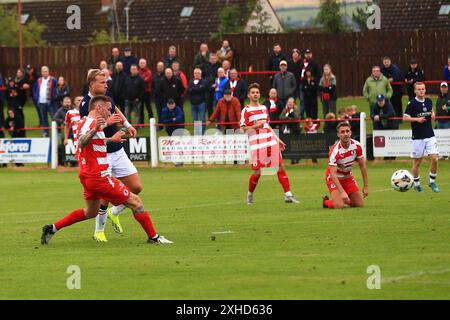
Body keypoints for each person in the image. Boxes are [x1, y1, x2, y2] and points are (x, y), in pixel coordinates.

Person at [40, 95, 172, 245]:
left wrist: (111, 139)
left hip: (87, 176)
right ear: (99, 108)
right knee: (136, 203)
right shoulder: (91, 123)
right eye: (108, 109)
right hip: (99, 177)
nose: (110, 113)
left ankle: (52, 228)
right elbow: (83, 142)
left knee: (90, 212)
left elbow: (92, 142)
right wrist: (96, 128)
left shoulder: (84, 121)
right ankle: (154, 237)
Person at [80, 69, 140, 242]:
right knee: (105, 194)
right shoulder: (85, 105)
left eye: (106, 82)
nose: (106, 85)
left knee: (136, 187)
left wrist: (127, 124)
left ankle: (114, 212)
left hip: (117, 150)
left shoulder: (107, 97)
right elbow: (88, 131)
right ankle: (99, 231)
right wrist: (107, 123)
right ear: (92, 84)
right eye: (102, 82)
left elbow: (116, 109)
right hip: (101, 154)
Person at [240, 83, 299, 205]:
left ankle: (288, 194)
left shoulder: (263, 108)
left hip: (270, 141)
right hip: (256, 144)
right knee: (258, 172)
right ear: (248, 95)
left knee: (280, 166)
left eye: (257, 92)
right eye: (253, 92)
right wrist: (256, 125)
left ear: (259, 94)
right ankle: (250, 194)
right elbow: (243, 129)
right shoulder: (246, 110)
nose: (255, 94)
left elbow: (267, 126)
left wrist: (277, 139)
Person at [403, 82, 439, 193]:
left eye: (423, 89)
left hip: (430, 135)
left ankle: (432, 182)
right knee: (417, 162)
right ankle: (417, 184)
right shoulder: (412, 103)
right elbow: (405, 118)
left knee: (435, 159)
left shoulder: (428, 101)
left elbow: (431, 110)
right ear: (415, 91)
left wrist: (433, 114)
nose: (421, 91)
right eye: (419, 89)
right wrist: (417, 119)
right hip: (418, 137)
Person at [322, 122, 368, 209]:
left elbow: (362, 165)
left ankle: (346, 200)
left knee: (359, 204)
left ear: (350, 132)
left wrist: (365, 186)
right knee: (339, 206)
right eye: (342, 132)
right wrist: (342, 192)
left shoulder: (357, 146)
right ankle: (326, 202)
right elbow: (333, 174)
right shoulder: (334, 151)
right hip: (334, 179)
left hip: (347, 177)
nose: (345, 134)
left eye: (347, 131)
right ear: (338, 134)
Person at [33, 66, 57, 137]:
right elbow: (34, 90)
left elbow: (56, 89)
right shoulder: (39, 80)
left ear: (48, 72)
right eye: (43, 71)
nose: (45, 73)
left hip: (50, 102)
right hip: (41, 103)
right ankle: (45, 132)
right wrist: (36, 98)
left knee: (53, 118)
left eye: (46, 71)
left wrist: (53, 97)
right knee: (44, 119)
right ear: (41, 73)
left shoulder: (53, 80)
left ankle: (55, 131)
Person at [299, 49, 320, 119]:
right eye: (306, 53)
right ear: (304, 55)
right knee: (303, 102)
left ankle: (314, 118)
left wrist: (314, 81)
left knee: (314, 104)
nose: (308, 55)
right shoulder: (301, 63)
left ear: (311, 54)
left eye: (309, 53)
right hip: (303, 83)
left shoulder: (315, 63)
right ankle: (303, 116)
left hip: (313, 85)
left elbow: (318, 74)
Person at [381, 56, 403, 122]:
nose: (386, 63)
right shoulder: (382, 69)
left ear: (390, 62)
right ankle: (389, 118)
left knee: (397, 104)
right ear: (383, 62)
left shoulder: (394, 68)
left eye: (387, 62)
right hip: (387, 90)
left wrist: (390, 80)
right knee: (387, 104)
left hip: (397, 90)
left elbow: (396, 77)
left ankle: (399, 119)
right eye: (385, 62)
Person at [187, 68, 208, 134]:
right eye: (195, 73)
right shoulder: (190, 81)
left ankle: (203, 133)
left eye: (198, 73)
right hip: (193, 103)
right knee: (194, 120)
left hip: (201, 103)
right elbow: (188, 90)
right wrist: (197, 89)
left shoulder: (204, 81)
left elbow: (202, 89)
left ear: (200, 74)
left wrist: (193, 89)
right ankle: (197, 133)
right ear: (193, 74)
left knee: (202, 119)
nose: (196, 74)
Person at [204, 53, 221, 117]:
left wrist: (216, 84)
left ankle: (218, 116)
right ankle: (210, 117)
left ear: (216, 59)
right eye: (211, 59)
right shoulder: (206, 65)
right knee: (209, 103)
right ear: (209, 59)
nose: (213, 60)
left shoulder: (219, 65)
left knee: (217, 103)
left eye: (214, 59)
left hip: (217, 86)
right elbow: (204, 76)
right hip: (208, 87)